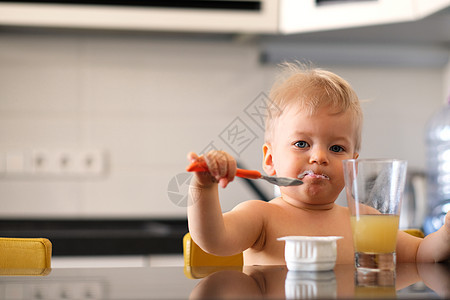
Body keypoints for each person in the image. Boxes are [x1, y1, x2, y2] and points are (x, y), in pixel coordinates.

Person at [186, 63, 450, 265]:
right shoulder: (260, 217)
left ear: (352, 167)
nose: (319, 157)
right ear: (269, 160)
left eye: (336, 148)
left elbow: (421, 254)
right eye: (302, 144)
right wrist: (203, 187)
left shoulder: (365, 222)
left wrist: (447, 231)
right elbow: (212, 240)